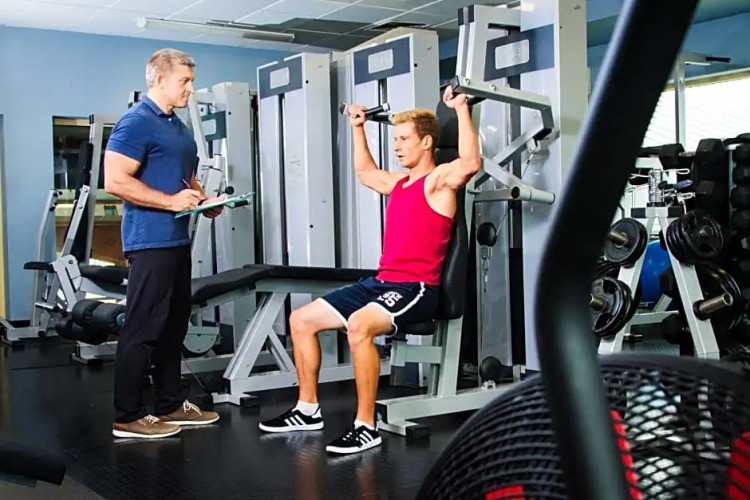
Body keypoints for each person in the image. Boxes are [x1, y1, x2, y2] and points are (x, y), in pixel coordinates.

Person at [259, 86, 481, 454]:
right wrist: (358, 127)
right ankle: (307, 409)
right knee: (301, 320)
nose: (397, 146)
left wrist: (460, 108)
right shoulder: (399, 184)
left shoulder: (438, 182)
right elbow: (365, 172)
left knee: (359, 326)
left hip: (415, 289)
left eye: (404, 139)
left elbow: (470, 163)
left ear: (427, 142)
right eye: (395, 139)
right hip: (380, 282)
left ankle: (366, 426)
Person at [104, 48, 224, 439]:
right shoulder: (136, 121)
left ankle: (170, 403)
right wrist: (171, 202)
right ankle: (128, 415)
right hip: (149, 240)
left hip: (176, 239)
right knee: (143, 327)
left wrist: (203, 200)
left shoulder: (178, 127)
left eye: (192, 81)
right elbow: (115, 180)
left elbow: (185, 178)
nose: (191, 88)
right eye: (184, 81)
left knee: (174, 326)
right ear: (159, 79)